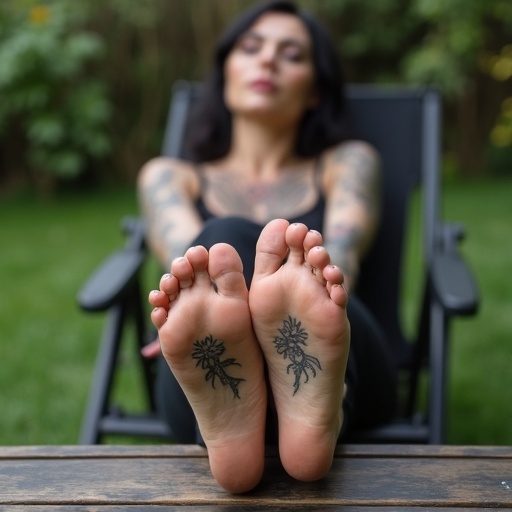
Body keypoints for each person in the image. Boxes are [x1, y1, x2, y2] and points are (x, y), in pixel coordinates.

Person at [139, 0, 397, 494]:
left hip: (351, 350)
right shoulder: (169, 177)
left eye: (292, 53)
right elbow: (184, 267)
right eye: (251, 47)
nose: (268, 61)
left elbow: (344, 261)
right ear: (226, 71)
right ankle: (267, 417)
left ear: (317, 89)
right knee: (218, 247)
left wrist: (313, 298)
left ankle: (320, 397)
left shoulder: (348, 163)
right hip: (201, 376)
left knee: (313, 288)